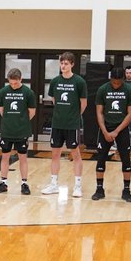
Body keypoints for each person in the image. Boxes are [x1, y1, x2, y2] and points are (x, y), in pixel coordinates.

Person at [42, 52, 87, 198]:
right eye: (62, 63)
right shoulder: (55, 81)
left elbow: (83, 104)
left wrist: (73, 115)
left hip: (72, 124)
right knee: (55, 154)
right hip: (57, 123)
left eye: (66, 63)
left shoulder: (79, 82)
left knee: (75, 154)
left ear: (72, 64)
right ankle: (54, 184)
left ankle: (78, 186)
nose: (63, 66)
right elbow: (55, 100)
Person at [92, 64, 131, 202]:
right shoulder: (102, 89)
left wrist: (117, 131)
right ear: (110, 79)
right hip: (105, 128)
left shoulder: (128, 90)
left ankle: (126, 190)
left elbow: (130, 113)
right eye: (114, 82)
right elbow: (99, 112)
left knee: (126, 159)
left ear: (123, 79)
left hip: (121, 130)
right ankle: (99, 189)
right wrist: (105, 130)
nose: (116, 84)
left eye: (119, 82)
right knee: (101, 158)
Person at [0, 68, 36, 195]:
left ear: (21, 79)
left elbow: (32, 112)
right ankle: (3, 183)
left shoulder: (28, 92)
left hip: (22, 131)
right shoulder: (3, 91)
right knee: (5, 156)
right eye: (11, 83)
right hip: (7, 130)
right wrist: (10, 120)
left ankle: (24, 183)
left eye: (15, 83)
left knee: (22, 157)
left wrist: (21, 121)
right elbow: (1, 110)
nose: (13, 85)